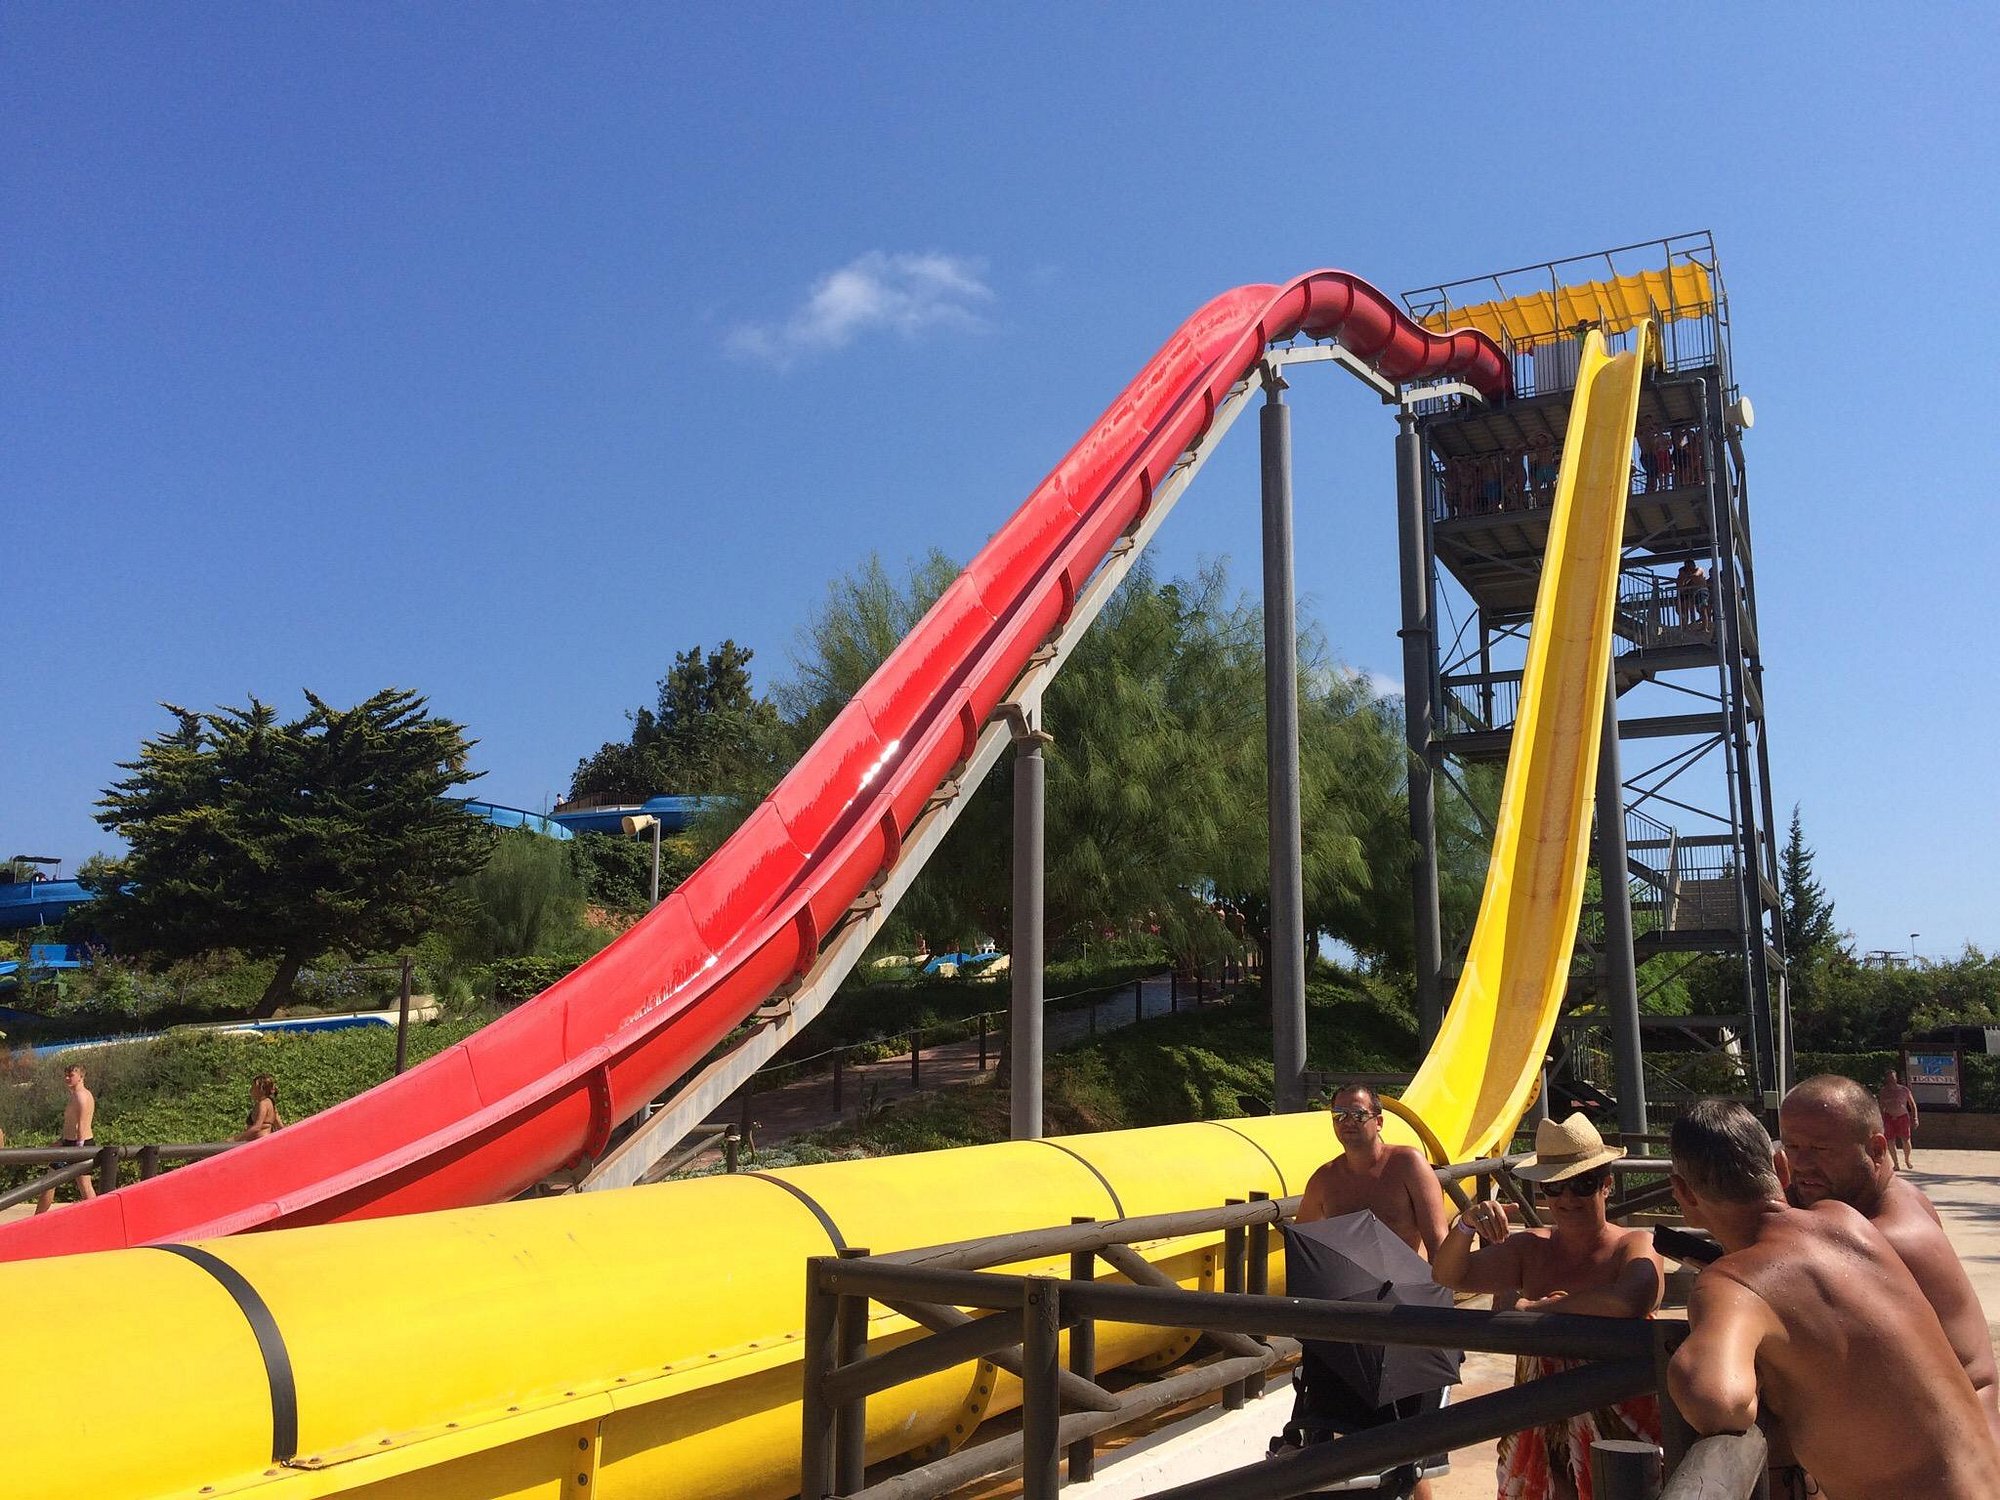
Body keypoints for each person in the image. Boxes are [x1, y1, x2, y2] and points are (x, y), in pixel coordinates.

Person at [1667, 1099, 2000, 1500]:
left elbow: (1720, 1401)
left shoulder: (1730, 1284)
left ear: (1683, 1193)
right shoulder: (1848, 1222)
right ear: (1780, 1167)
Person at [1433, 1112, 1663, 1498]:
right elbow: (1449, 1276)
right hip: (1538, 1420)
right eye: (1554, 1188)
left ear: (1606, 1185)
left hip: (1620, 1424)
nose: (1568, 1198)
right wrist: (1466, 1225)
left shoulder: (1634, 1244)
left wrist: (1537, 1309)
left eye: (1582, 1184)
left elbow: (1630, 1300)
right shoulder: (1530, 1248)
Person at [1777, 1076, 1998, 1442]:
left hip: (1950, 1453)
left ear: (1877, 1149)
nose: (1801, 1164)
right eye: (1792, 1146)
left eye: (1820, 1149)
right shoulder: (1899, 1196)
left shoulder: (1884, 1238)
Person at [1298, 1085, 1452, 1258]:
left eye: (1359, 1115)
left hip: (1406, 1279)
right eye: (1339, 1115)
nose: (1348, 1122)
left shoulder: (1408, 1164)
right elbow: (1301, 1244)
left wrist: (1437, 1284)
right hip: (1349, 1282)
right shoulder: (1324, 1179)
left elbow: (1438, 1241)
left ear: (1378, 1122)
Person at [36, 1063, 97, 1214]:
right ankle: (37, 1218)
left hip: (78, 1146)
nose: (67, 1078)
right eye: (66, 1075)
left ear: (81, 1076)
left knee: (82, 1186)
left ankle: (98, 1217)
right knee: (52, 1182)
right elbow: (72, 1124)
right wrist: (61, 1141)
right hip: (70, 1144)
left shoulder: (81, 1096)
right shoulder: (77, 1095)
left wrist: (78, 1149)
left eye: (71, 1075)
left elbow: (81, 1126)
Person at [1877, 1067, 1919, 1168]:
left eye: (1893, 1077)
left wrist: (1915, 1118)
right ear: (1886, 1079)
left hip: (1902, 1117)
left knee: (1906, 1139)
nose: (1891, 1079)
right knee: (1890, 1141)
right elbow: (1880, 1106)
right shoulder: (1883, 1092)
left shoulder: (1904, 1090)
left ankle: (1907, 1159)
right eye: (1889, 1077)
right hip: (1889, 1118)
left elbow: (1912, 1105)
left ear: (1896, 1078)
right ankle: (1896, 1164)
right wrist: (1880, 1120)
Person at [239, 1073, 284, 1141]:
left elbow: (257, 1127)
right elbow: (280, 1126)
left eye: (253, 1087)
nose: (250, 1090)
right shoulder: (271, 1103)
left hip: (259, 1142)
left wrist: (236, 1138)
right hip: (265, 1141)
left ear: (261, 1090)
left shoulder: (263, 1104)